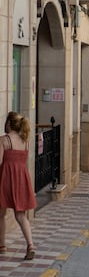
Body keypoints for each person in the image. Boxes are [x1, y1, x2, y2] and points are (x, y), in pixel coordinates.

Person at [0, 111, 37, 260]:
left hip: (6, 179)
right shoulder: (25, 141)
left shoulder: (4, 140)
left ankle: (2, 246)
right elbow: (24, 162)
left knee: (1, 213)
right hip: (22, 180)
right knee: (21, 215)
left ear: (9, 123)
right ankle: (30, 245)